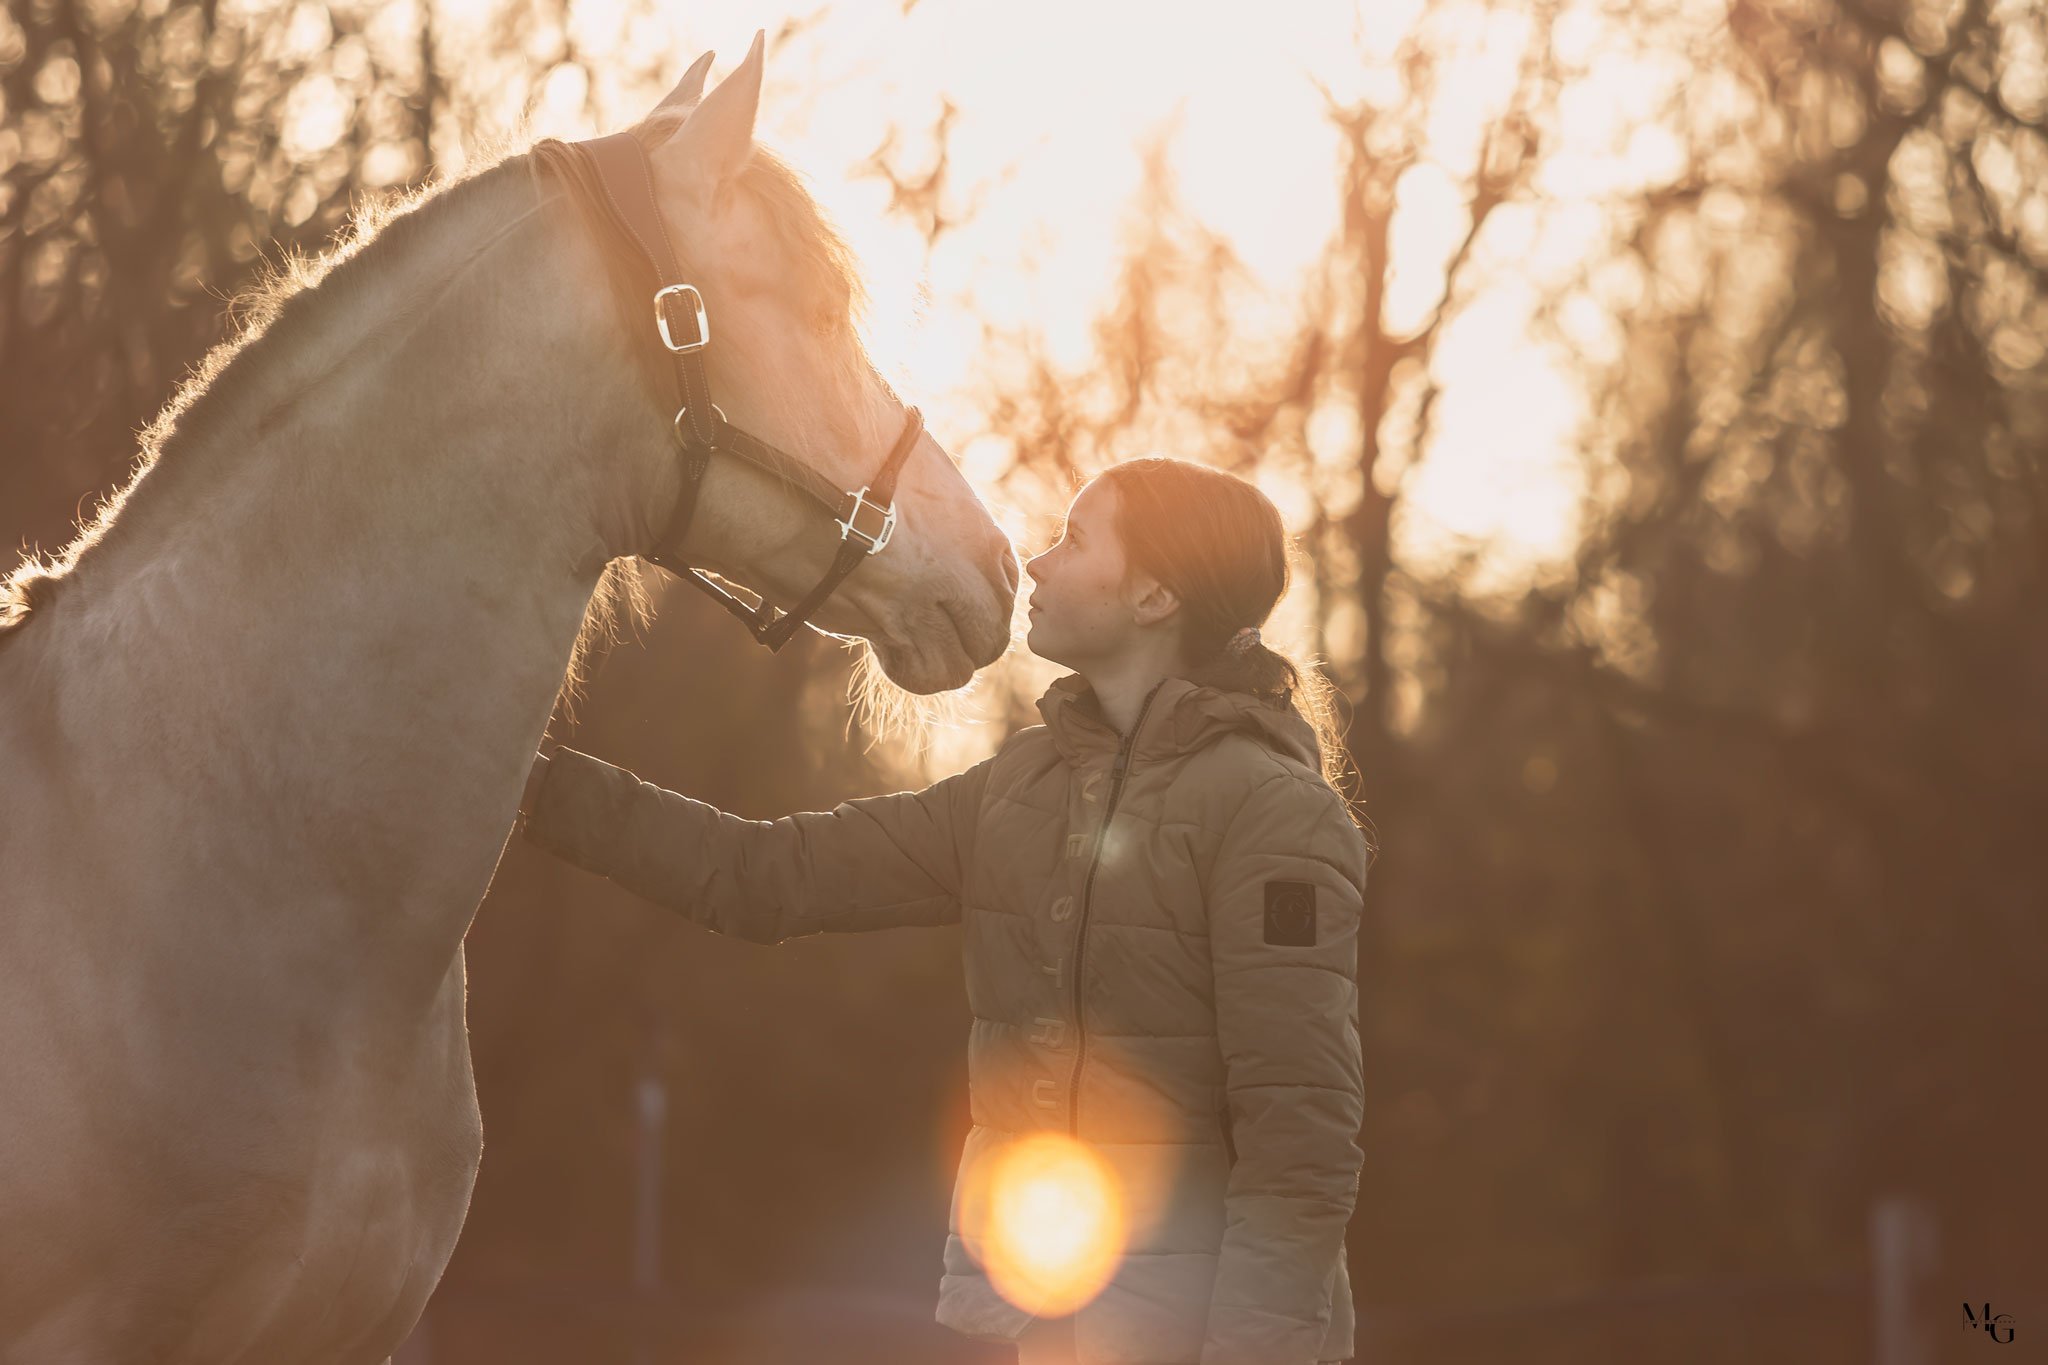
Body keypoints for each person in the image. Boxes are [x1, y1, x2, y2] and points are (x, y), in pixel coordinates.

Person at [517, 456, 1373, 1365]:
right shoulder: (1013, 789)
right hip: (1043, 1324)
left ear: (1154, 595)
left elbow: (1300, 1142)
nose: (1035, 563)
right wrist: (518, 780)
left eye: (1074, 539)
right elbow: (762, 873)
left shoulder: (1278, 813)